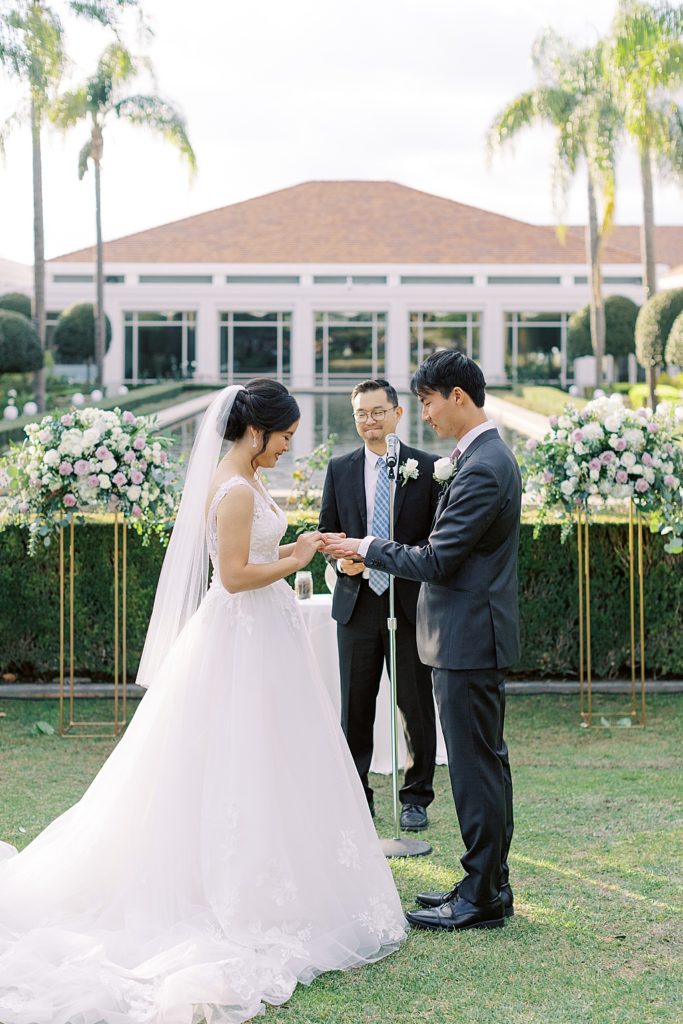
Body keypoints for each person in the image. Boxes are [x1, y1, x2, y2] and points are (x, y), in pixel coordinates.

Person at [0, 380, 406, 1024]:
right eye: (284, 437)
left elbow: (250, 560)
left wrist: (303, 548)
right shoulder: (237, 487)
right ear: (256, 432)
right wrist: (298, 553)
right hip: (242, 636)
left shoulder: (242, 477)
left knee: (269, 756)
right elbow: (238, 576)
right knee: (235, 756)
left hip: (261, 635)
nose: (287, 448)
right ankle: (230, 885)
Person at [324, 352, 521, 932]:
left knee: (474, 768)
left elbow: (437, 558)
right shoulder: (478, 456)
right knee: (482, 764)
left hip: (468, 639)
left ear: (458, 396)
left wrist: (364, 546)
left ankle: (482, 894)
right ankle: (487, 883)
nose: (426, 415)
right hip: (466, 637)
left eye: (430, 401)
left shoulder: (483, 465)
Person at [318, 379, 439, 831]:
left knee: (414, 703)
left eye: (377, 412)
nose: (369, 422)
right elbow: (327, 530)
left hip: (409, 604)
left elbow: (435, 540)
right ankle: (357, 795)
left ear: (397, 414)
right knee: (355, 705)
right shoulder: (340, 468)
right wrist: (344, 559)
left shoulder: (426, 469)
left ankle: (416, 797)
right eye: (361, 414)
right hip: (357, 603)